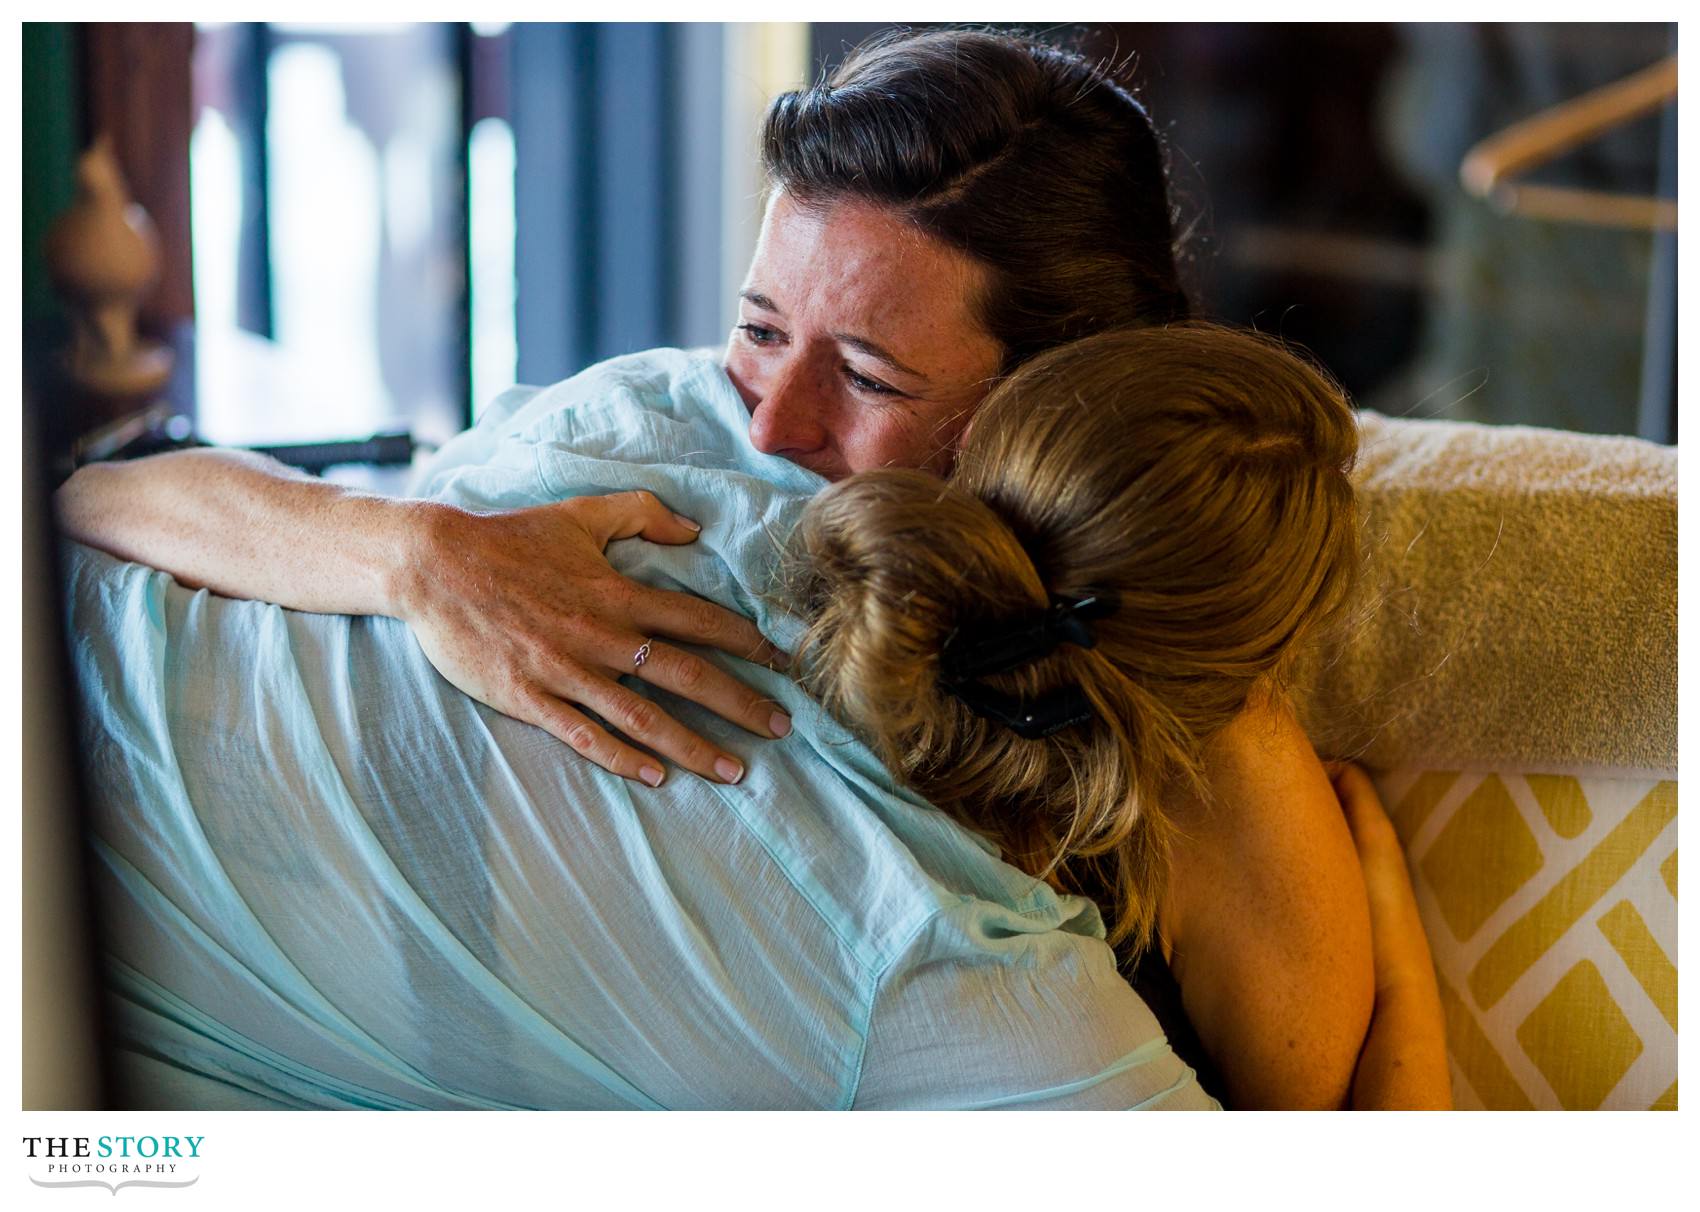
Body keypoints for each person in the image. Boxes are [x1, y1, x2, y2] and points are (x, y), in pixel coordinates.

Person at [56, 28, 1443, 1106]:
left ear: (1056, 392)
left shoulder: (931, 949)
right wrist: (420, 555)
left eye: (869, 374)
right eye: (764, 325)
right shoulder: (660, 416)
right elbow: (97, 502)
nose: (771, 418)